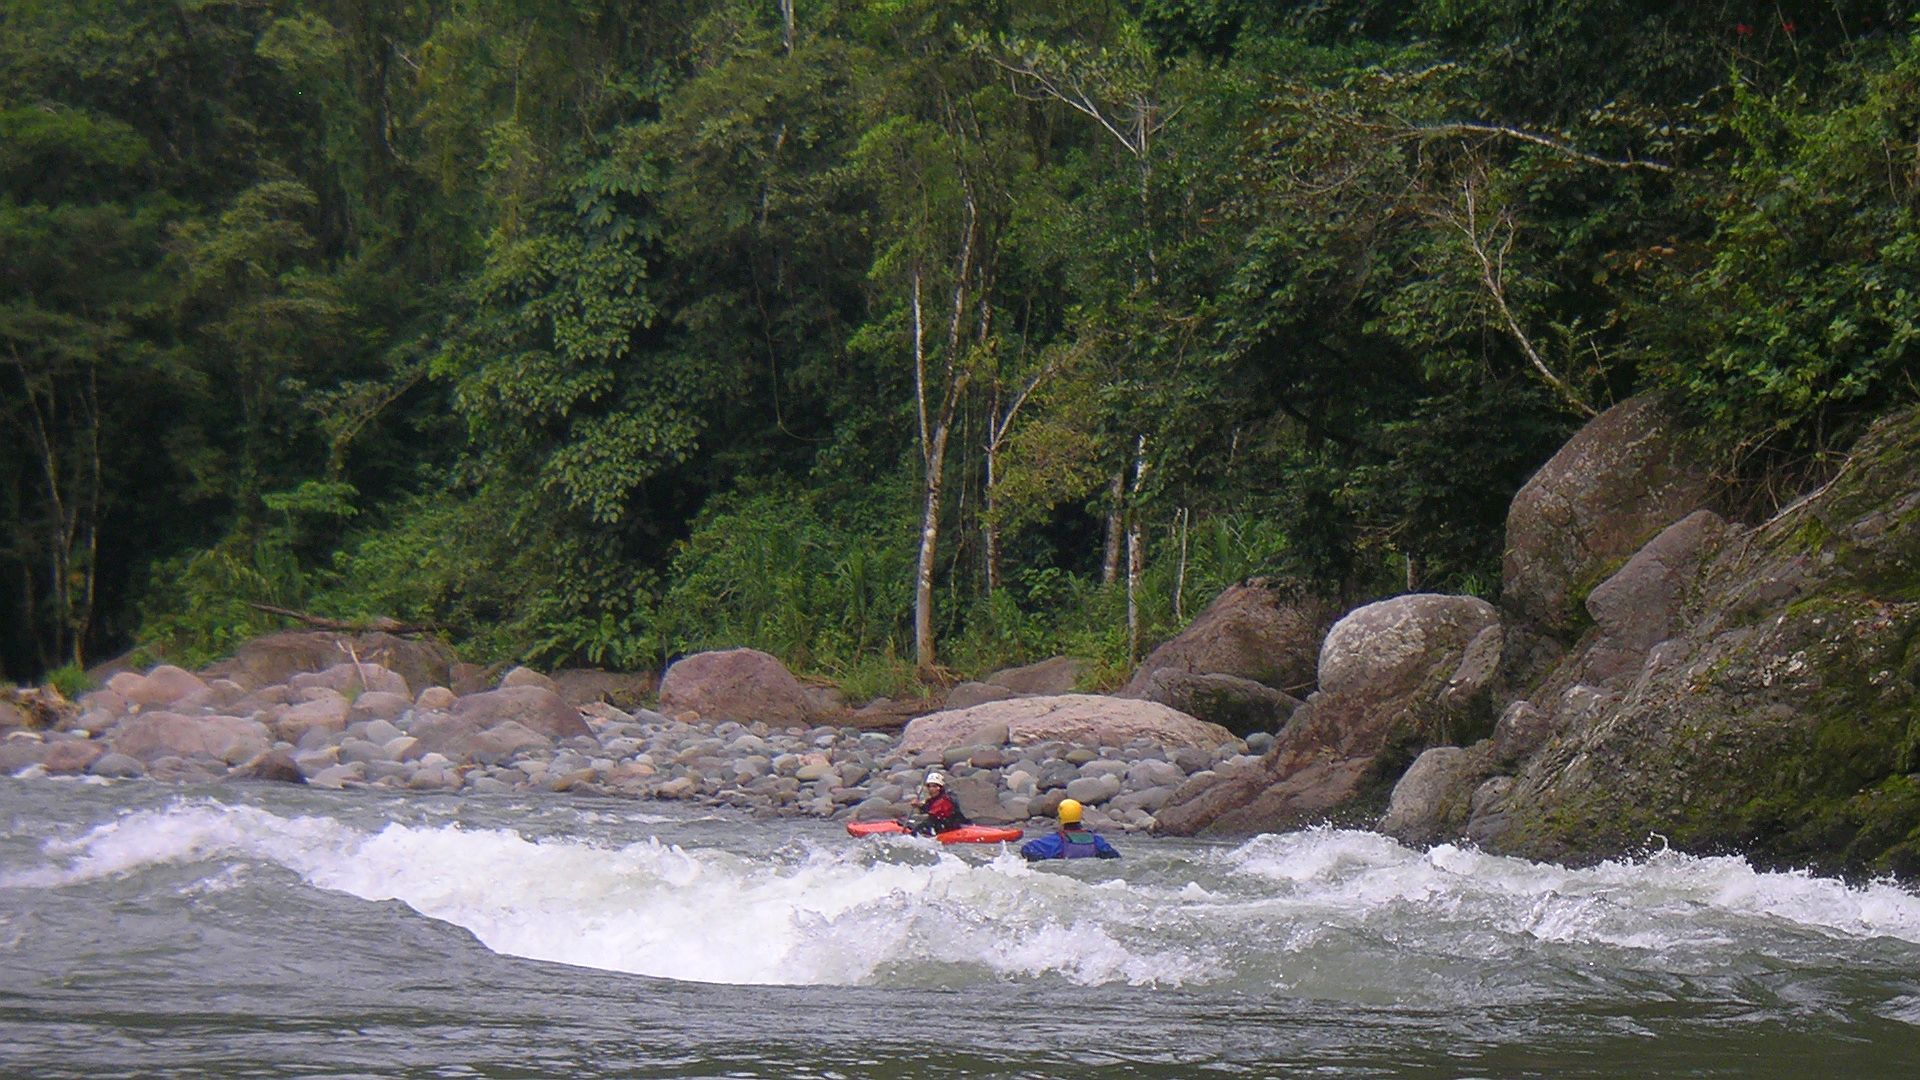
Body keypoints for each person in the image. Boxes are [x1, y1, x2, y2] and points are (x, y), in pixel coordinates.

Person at [1020, 798, 1120, 860]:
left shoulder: (1055, 842)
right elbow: (1114, 857)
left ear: (1060, 819)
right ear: (1080, 817)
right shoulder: (1096, 841)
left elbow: (1027, 849)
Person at [904, 770, 970, 835]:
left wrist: (920, 805)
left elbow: (934, 810)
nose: (931, 789)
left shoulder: (946, 799)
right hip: (941, 824)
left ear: (940, 787)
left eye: (934, 786)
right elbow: (927, 808)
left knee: (924, 826)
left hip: (952, 825)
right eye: (929, 786)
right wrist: (918, 806)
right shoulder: (933, 799)